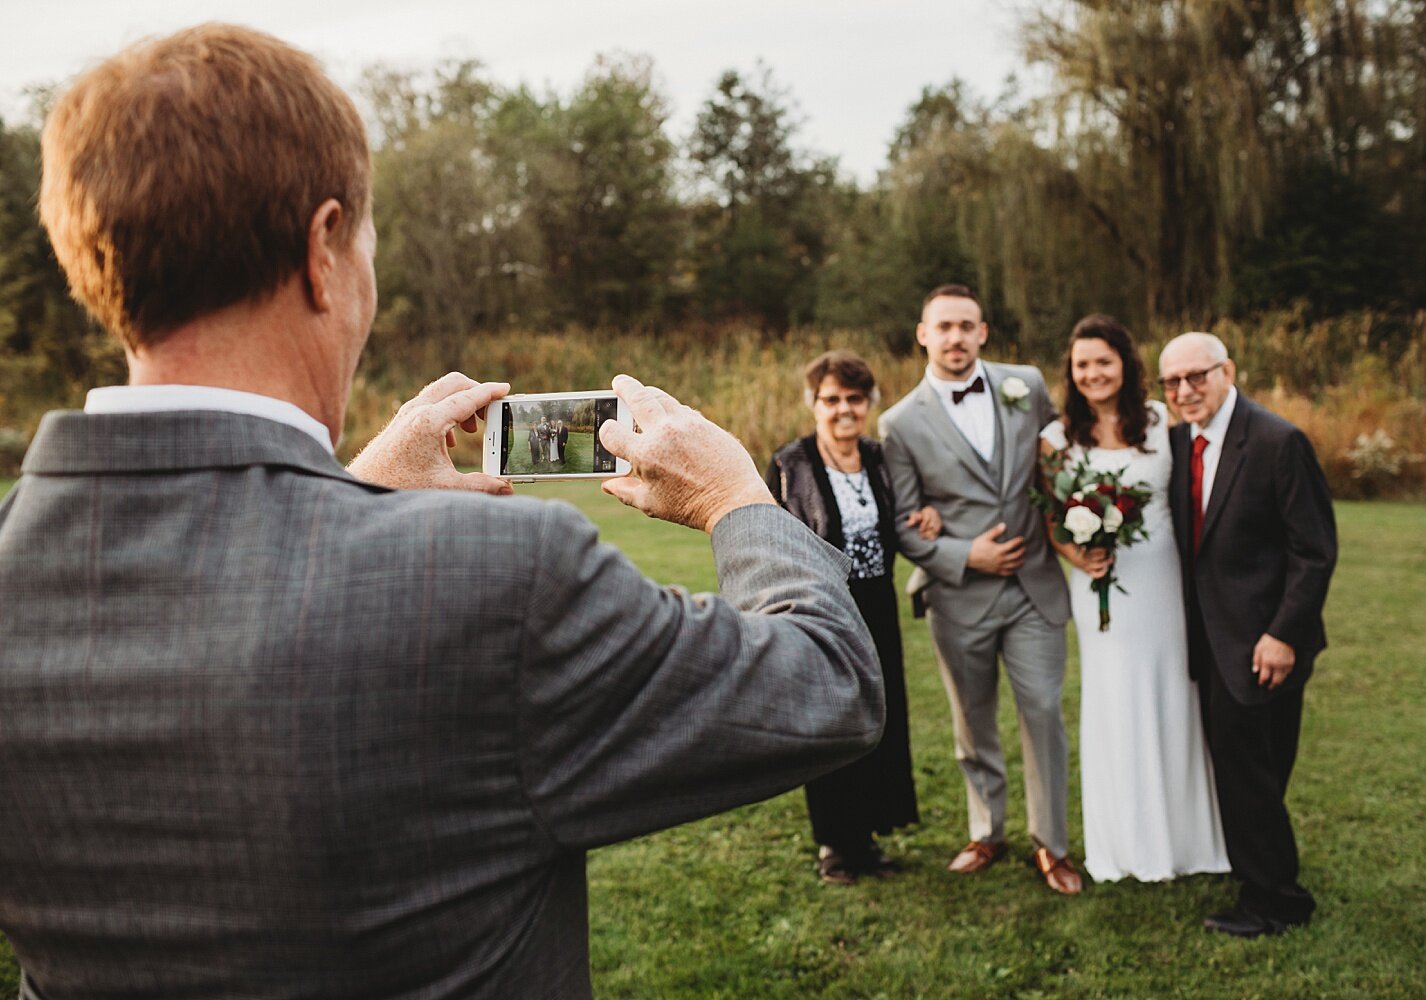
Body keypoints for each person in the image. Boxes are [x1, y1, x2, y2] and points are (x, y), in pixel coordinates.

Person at [0, 25, 885, 999]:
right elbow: (829, 682)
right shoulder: (500, 583)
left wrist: (346, 501)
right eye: (369, 239)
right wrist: (733, 496)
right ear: (324, 248)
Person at [879, 285, 1081, 894]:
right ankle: (987, 831)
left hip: (1035, 588)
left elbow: (1061, 461)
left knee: (1044, 713)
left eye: (966, 326)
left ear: (984, 331)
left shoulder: (1027, 384)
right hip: (959, 596)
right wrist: (967, 553)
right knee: (973, 721)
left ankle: (1052, 845)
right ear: (923, 334)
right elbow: (903, 524)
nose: (955, 338)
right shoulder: (899, 423)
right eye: (944, 327)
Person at [1038, 316, 1229, 883]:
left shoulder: (1158, 419)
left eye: (1104, 361)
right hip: (1099, 587)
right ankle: (1125, 843)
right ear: (1071, 374)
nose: (1093, 373)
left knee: (1176, 692)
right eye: (1082, 365)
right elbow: (1052, 518)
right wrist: (1078, 555)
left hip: (1164, 579)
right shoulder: (1056, 439)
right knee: (1114, 697)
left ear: (1125, 365)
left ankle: (1190, 840)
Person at [1159, 331, 1337, 938]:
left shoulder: (1277, 441)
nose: (1184, 391)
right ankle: (1260, 872)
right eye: (1172, 382)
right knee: (1248, 769)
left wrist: (1283, 634)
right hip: (1213, 640)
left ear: (1227, 370)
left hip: (1265, 643)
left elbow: (1314, 552)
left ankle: (1276, 899)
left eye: (1196, 376)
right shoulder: (1181, 442)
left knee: (1253, 770)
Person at [766, 351, 936, 884]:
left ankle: (867, 837)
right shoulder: (790, 463)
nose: (844, 409)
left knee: (877, 717)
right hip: (823, 608)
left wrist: (926, 514)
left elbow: (906, 515)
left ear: (870, 404)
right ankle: (834, 845)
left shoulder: (881, 459)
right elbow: (774, 537)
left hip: (878, 604)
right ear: (813, 404)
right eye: (832, 399)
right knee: (831, 719)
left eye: (854, 399)